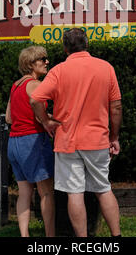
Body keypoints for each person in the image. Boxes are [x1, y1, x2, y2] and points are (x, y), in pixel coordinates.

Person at [30, 28, 122, 237]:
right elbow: (116, 107)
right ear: (87, 44)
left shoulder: (59, 71)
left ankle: (82, 241)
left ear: (65, 48)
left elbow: (35, 99)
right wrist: (114, 137)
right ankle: (116, 237)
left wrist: (46, 121)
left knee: (75, 192)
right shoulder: (106, 68)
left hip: (67, 140)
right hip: (97, 139)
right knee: (103, 189)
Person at [6, 45, 55, 237]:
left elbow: (9, 118)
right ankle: (50, 237)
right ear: (30, 64)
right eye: (42, 59)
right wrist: (50, 120)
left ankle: (24, 235)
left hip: (14, 142)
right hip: (33, 141)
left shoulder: (15, 85)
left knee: (24, 192)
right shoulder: (35, 85)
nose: (46, 62)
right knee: (46, 192)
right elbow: (39, 118)